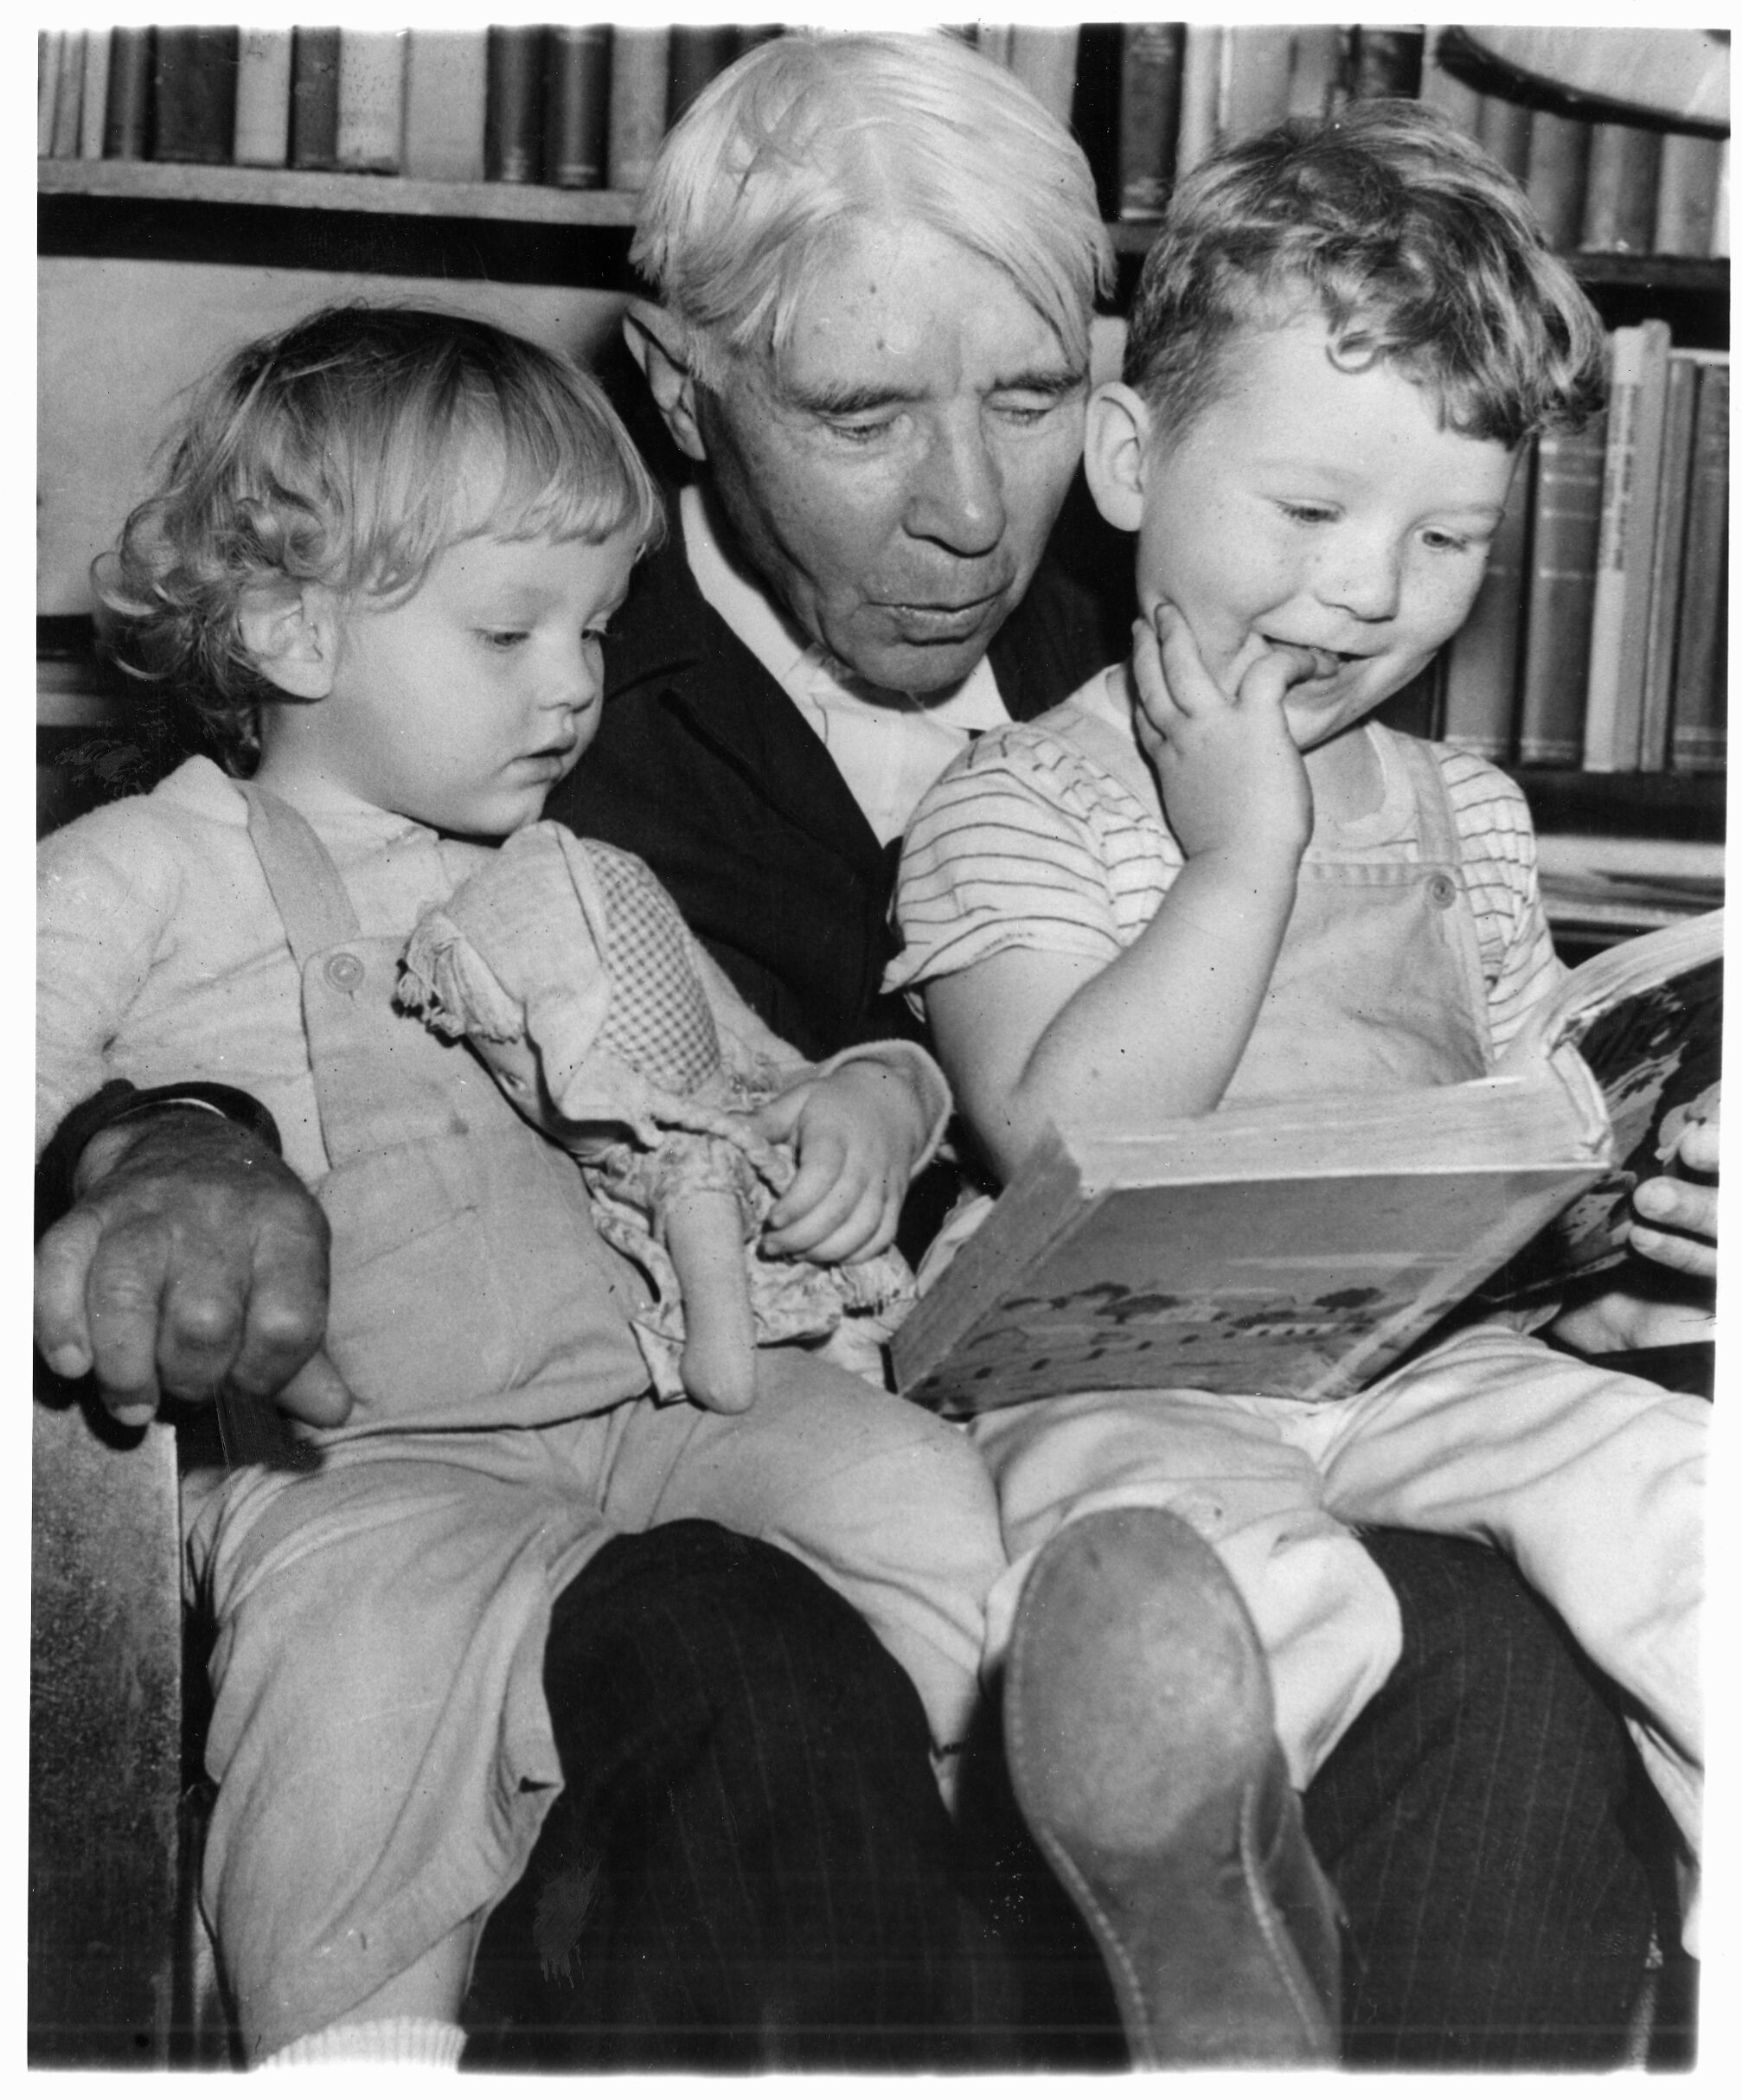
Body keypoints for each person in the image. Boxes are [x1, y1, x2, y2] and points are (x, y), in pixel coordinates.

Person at [34, 29, 1709, 2071]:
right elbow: (205, 988)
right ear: (676, 389)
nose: (962, 508)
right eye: (855, 411)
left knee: (1499, 1639)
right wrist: (157, 1130)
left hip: (1236, 1484)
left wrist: (1621, 1239)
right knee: (760, 1670)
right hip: (716, 1606)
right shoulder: (522, 710)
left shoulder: (1245, 617)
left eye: (1019, 399)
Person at [35, 304, 1011, 2066]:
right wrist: (124, 1144)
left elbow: (752, 1089)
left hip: (650, 1398)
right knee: (345, 1684)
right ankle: (350, 2036)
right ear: (286, 625)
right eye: (507, 629)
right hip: (361, 1458)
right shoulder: (137, 871)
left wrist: (880, 1093)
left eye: (590, 624)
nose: (572, 681)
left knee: (923, 1495)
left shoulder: (581, 872)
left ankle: (984, 1861)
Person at [891, 97, 1713, 2052]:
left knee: (1693, 1505)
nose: (1367, 593)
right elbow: (1060, 1128)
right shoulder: (1013, 802)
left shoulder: (1471, 814)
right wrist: (1240, 850)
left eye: (1445, 540)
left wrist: (1646, 1179)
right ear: (1124, 456)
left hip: (1420, 1359)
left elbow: (1529, 1119)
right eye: (1307, 513)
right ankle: (1218, 1948)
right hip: (1113, 1380)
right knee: (1200, 1599)